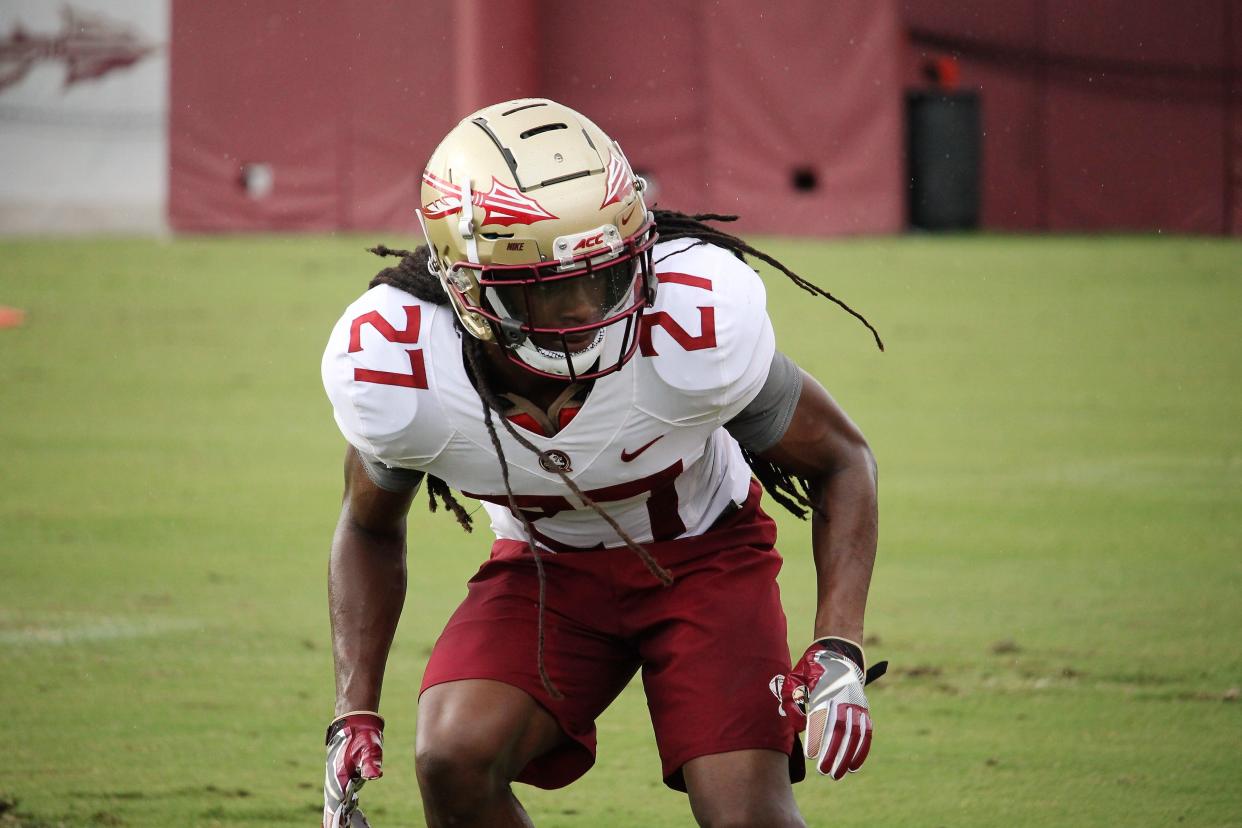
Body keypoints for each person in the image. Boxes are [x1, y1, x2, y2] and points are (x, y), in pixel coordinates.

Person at [319, 98, 884, 828]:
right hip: (544, 571)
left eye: (608, 276)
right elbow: (366, 526)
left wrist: (838, 644)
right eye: (549, 290)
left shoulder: (693, 324)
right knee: (452, 757)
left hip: (706, 561)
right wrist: (352, 709)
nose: (587, 311)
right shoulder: (401, 369)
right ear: (466, 287)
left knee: (746, 815)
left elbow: (842, 459)